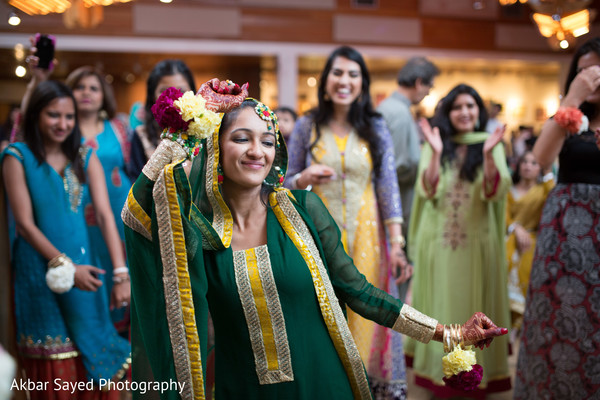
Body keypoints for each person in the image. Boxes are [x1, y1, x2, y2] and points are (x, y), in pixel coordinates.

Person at [122, 78, 507, 400]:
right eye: (241, 139)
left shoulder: (303, 210)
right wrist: (186, 127)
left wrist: (447, 332)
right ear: (216, 148)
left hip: (323, 385)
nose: (258, 151)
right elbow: (136, 214)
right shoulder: (199, 233)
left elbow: (358, 291)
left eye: (268, 141)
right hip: (242, 390)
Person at [284, 46, 409, 397]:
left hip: (369, 238)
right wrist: (303, 176)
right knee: (322, 314)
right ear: (325, 82)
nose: (345, 81)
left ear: (362, 84)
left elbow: (388, 186)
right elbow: (283, 179)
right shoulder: (307, 126)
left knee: (365, 314)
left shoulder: (375, 127)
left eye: (354, 75)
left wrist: (397, 243)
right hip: (316, 237)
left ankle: (362, 389)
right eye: (338, 73)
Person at [1, 80, 130, 399]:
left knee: (93, 347)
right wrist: (67, 268)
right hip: (39, 269)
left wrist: (120, 273)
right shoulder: (16, 156)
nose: (63, 124)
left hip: (86, 266)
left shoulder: (84, 156)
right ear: (36, 116)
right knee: (53, 355)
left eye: (69, 117)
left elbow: (104, 215)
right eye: (53, 115)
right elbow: (26, 225)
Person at [405, 83, 512, 397]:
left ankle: (478, 375)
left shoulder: (490, 144)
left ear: (479, 111)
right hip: (439, 243)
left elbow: (496, 190)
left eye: (471, 106)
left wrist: (490, 154)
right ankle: (440, 373)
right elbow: (428, 190)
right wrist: (436, 153)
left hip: (478, 244)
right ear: (448, 113)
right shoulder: (436, 143)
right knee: (441, 306)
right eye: (457, 107)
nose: (465, 112)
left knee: (477, 304)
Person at [514, 37, 600, 400]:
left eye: (595, 69)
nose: (590, 77)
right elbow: (542, 158)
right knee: (561, 315)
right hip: (565, 229)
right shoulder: (570, 115)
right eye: (582, 71)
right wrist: (572, 100)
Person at [64, 66, 132, 331]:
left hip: (119, 209)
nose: (86, 93)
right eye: (79, 87)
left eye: (93, 88)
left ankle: (123, 341)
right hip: (82, 213)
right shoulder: (63, 127)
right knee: (90, 266)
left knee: (122, 265)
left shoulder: (119, 128)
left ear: (103, 95)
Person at [376, 56, 440, 302]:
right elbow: (401, 165)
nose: (426, 94)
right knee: (398, 274)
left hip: (389, 201)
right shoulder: (400, 113)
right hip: (399, 203)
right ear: (418, 82)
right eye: (428, 87)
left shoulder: (387, 107)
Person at [505, 150, 554, 329]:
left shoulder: (542, 191)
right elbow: (504, 216)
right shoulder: (509, 190)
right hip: (510, 242)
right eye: (525, 162)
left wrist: (548, 170)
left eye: (534, 163)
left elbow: (554, 196)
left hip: (533, 244)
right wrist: (515, 229)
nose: (528, 166)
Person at [127, 59, 196, 182]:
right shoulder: (141, 135)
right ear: (152, 96)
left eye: (182, 91)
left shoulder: (205, 132)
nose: (175, 98)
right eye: (165, 91)